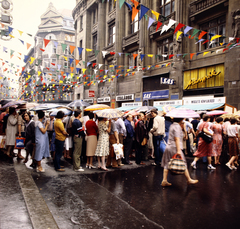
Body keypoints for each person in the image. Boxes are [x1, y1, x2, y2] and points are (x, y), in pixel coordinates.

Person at [161, 118, 198, 186]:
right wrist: (178, 150)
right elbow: (177, 139)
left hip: (169, 146)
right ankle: (189, 179)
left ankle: (164, 180)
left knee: (167, 163)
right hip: (175, 147)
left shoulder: (172, 125)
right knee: (183, 162)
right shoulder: (177, 127)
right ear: (181, 120)